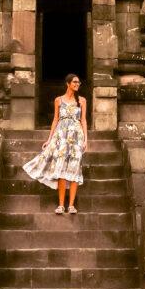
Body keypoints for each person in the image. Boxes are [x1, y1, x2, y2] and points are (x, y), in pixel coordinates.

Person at [21, 74, 87, 214]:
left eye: (78, 82)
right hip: (61, 137)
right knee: (61, 168)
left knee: (75, 168)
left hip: (76, 137)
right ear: (68, 83)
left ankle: (71, 205)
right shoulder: (58, 100)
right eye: (75, 82)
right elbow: (55, 120)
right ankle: (61, 205)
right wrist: (49, 139)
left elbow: (83, 121)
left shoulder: (82, 100)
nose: (77, 84)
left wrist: (86, 140)